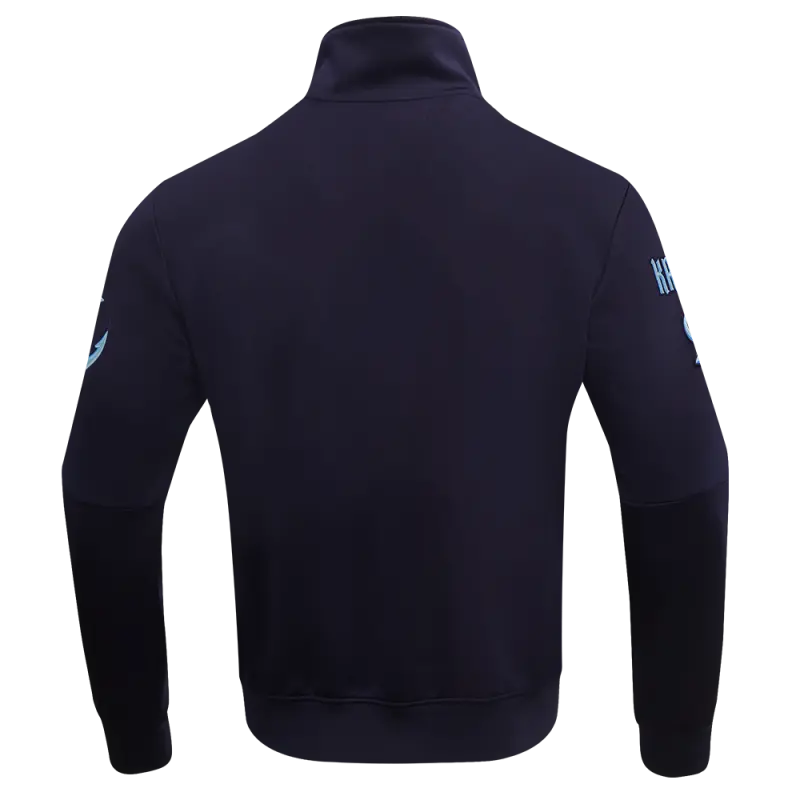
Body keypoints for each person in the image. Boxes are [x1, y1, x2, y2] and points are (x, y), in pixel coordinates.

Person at [59, 14, 730, 779]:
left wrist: (135, 745)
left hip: (281, 728)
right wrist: (677, 748)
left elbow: (105, 495)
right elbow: (683, 489)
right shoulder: (596, 208)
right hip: (511, 732)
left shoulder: (176, 220)